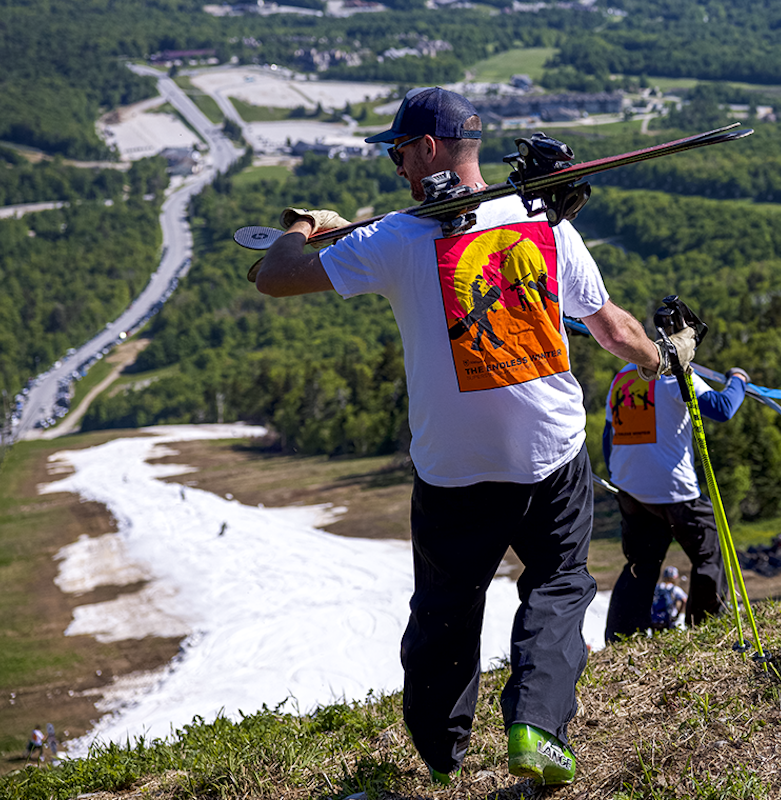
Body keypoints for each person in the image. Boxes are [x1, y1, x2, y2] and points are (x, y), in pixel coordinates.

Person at [252, 86, 697, 787]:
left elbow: (273, 277)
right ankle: (537, 726)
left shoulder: (395, 238)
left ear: (428, 148)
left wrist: (305, 225)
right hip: (550, 454)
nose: (397, 167)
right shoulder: (545, 222)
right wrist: (669, 356)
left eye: (400, 151)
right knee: (559, 584)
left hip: (454, 471)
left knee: (445, 611)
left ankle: (439, 755)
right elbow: (614, 330)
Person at [602, 363, 748, 642]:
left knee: (640, 562)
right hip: (674, 489)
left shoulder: (621, 376)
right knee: (708, 555)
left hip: (631, 488)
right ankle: (704, 628)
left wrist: (618, 476)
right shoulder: (674, 376)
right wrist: (738, 379)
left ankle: (622, 635)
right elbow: (723, 407)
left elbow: (608, 435)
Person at [650, 565, 687, 630]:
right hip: (670, 618)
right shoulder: (675, 589)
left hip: (655, 618)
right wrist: (678, 614)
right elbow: (684, 600)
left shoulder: (657, 587)